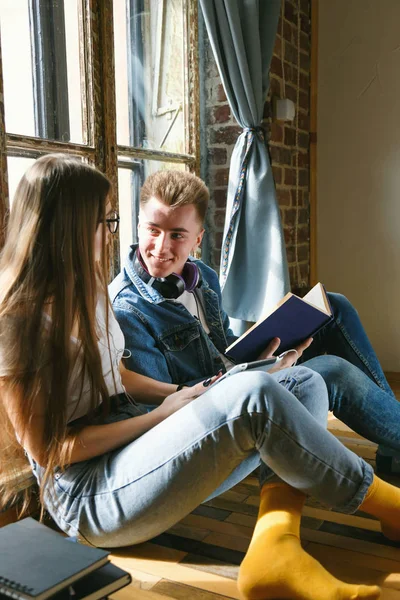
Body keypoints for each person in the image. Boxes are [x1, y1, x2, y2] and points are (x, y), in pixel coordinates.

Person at [2, 154, 398, 600]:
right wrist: (163, 414)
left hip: (131, 445)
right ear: (70, 226)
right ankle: (392, 505)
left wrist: (185, 392)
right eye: (104, 221)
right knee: (254, 393)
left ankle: (275, 549)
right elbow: (52, 450)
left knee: (304, 382)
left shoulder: (86, 288)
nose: (110, 233)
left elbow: (116, 375)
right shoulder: (18, 323)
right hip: (89, 497)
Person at [109, 170, 400, 464]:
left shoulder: (203, 278)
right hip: (211, 413)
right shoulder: (126, 309)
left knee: (334, 307)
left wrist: (266, 355)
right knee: (333, 371)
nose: (161, 248)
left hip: (238, 377)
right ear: (138, 226)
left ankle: (393, 443)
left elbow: (221, 349)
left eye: (177, 235)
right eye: (153, 230)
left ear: (197, 238)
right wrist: (258, 375)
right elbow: (167, 407)